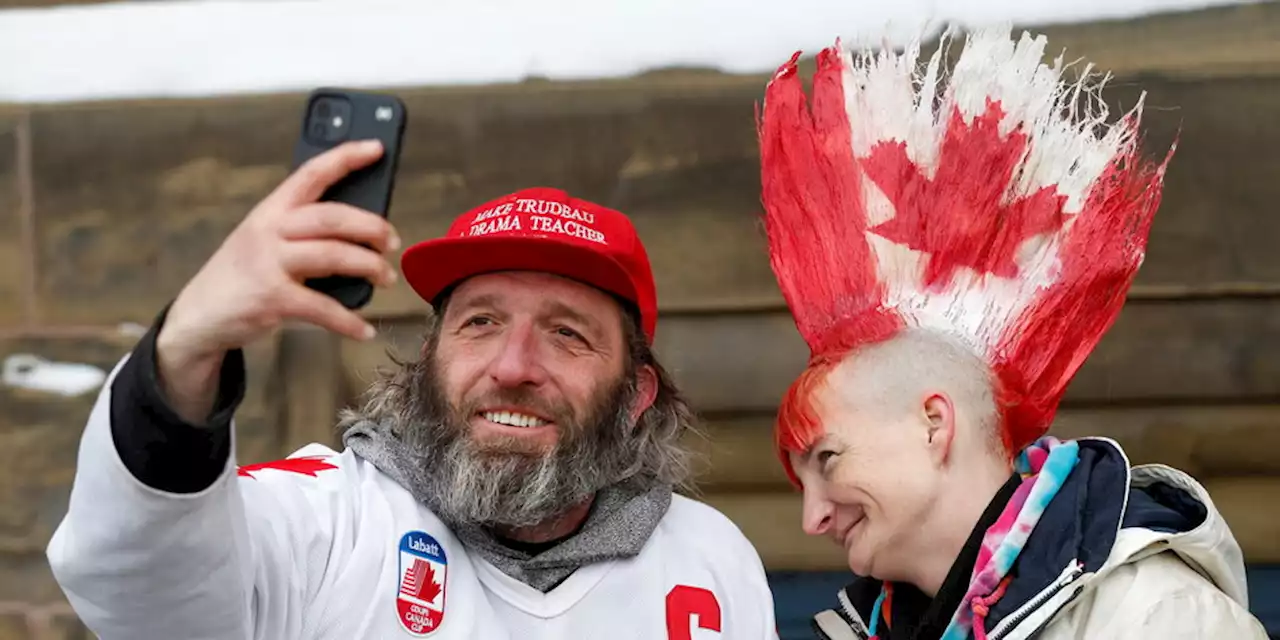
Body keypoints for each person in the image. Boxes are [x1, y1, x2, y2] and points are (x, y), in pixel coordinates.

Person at [46, 140, 779, 639]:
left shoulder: (712, 559)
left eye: (567, 334)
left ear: (638, 392)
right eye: (481, 322)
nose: (514, 364)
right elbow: (145, 593)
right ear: (430, 356)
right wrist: (186, 349)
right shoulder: (326, 522)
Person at [754, 27, 1268, 640]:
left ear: (934, 426)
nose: (812, 518)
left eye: (828, 460)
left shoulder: (1156, 619)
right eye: (802, 483)